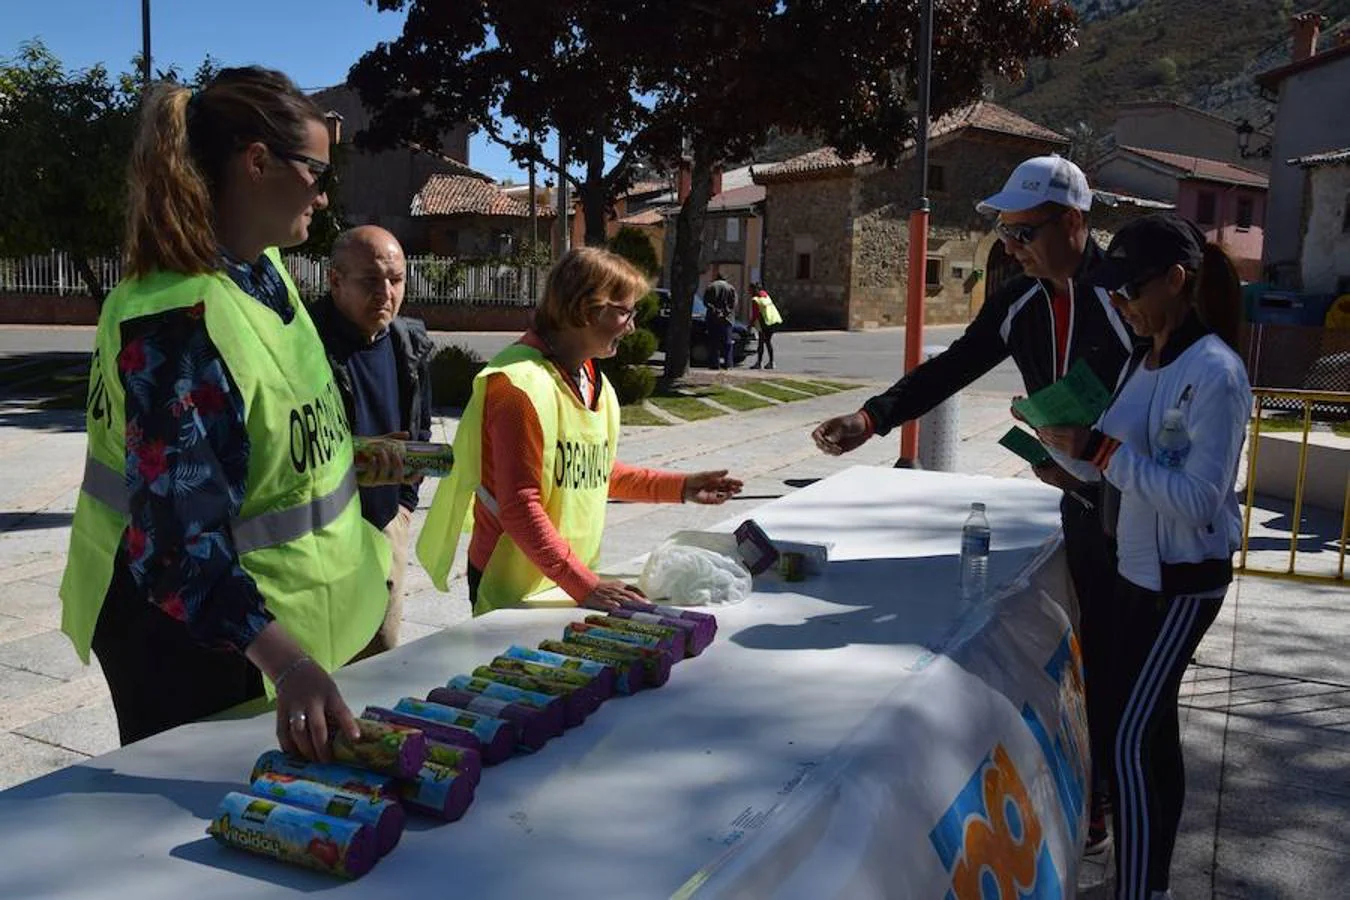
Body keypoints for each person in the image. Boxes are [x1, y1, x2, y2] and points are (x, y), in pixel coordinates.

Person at [59, 67, 402, 762]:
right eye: (316, 171)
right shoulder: (174, 319)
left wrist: (349, 457)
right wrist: (288, 663)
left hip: (269, 623)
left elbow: (259, 436)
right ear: (256, 163)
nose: (325, 192)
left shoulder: (264, 268)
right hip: (192, 637)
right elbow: (176, 542)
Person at [810, 155, 1134, 854]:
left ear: (1074, 222)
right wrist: (872, 418)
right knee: (1100, 649)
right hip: (1079, 501)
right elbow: (956, 365)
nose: (1012, 249)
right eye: (1007, 235)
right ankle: (1101, 795)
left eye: (1025, 233)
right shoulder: (1019, 299)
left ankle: (1136, 807)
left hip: (1146, 506)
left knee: (1133, 666)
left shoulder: (1129, 292)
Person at [1036, 214, 1250, 900]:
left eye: (1131, 290)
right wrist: (1069, 461)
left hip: (1184, 582)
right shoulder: (1144, 358)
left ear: (1177, 281)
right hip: (1136, 572)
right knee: (1151, 736)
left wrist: (1102, 454)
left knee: (1125, 740)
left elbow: (1196, 500)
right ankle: (1150, 884)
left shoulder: (1214, 370)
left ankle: (1135, 889)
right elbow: (1116, 469)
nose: (1123, 304)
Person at [418, 247, 744, 613]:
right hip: (511, 582)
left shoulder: (592, 378)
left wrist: (681, 486)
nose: (633, 326)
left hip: (566, 578)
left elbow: (593, 471)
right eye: (625, 312)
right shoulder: (517, 386)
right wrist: (586, 586)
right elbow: (520, 505)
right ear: (586, 309)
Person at [311, 226, 434, 658]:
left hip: (384, 532)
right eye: (371, 280)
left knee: (377, 664)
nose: (386, 292)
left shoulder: (409, 344)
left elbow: (419, 434)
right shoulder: (304, 343)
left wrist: (403, 506)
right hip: (317, 543)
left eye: (396, 280)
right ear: (335, 280)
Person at [703, 273, 738, 369]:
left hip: (712, 318)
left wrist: (715, 311)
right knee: (727, 343)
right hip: (727, 319)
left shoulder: (711, 286)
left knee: (713, 342)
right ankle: (728, 364)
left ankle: (714, 364)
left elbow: (706, 302)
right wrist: (726, 312)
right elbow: (734, 303)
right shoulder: (731, 288)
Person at [749, 282, 783, 370]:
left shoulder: (755, 299)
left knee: (761, 343)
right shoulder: (766, 296)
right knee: (767, 342)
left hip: (764, 322)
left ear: (754, 289)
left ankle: (759, 363)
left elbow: (755, 314)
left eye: (750, 289)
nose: (749, 291)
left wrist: (750, 325)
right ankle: (771, 362)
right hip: (773, 321)